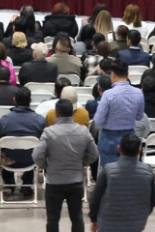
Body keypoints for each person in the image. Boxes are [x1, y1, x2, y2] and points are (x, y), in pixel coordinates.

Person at [35, 99, 98, 232]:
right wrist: (82, 163)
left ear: (56, 113)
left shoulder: (49, 132)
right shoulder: (83, 131)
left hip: (54, 181)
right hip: (75, 180)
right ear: (72, 113)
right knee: (76, 217)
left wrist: (46, 166)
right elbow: (94, 154)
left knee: (52, 219)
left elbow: (37, 155)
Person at [89, 134, 155, 232]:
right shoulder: (147, 171)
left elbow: (95, 199)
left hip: (108, 223)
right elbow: (153, 200)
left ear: (119, 149)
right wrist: (142, 214)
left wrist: (94, 219)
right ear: (139, 151)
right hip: (136, 224)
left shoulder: (108, 170)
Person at [94, 59, 143, 169]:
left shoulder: (108, 94)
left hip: (109, 138)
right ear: (127, 74)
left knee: (110, 172)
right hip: (130, 137)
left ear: (113, 74)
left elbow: (98, 120)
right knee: (129, 172)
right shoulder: (138, 93)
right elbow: (139, 117)